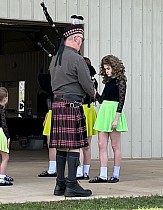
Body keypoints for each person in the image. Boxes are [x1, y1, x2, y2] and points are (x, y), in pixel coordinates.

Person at [49, 16, 95, 197]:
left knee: (61, 146)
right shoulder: (77, 59)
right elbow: (87, 85)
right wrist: (93, 92)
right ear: (76, 39)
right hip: (72, 104)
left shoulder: (55, 59)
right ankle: (72, 184)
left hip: (57, 104)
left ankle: (59, 185)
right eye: (81, 40)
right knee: (74, 146)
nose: (81, 44)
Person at [89, 55, 128, 184]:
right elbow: (102, 100)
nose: (106, 71)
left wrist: (116, 119)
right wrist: (94, 93)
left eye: (108, 68)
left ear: (114, 67)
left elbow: (121, 101)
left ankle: (115, 174)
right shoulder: (108, 82)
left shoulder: (120, 81)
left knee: (115, 146)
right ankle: (103, 174)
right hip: (104, 111)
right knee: (101, 145)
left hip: (114, 112)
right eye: (105, 69)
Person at [76, 57, 98, 180]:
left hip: (84, 109)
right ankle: (83, 171)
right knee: (86, 145)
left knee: (81, 145)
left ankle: (82, 171)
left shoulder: (88, 80)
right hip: (87, 110)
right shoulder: (91, 80)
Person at [0, 87, 14, 186]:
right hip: (1, 133)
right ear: (5, 98)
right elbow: (4, 125)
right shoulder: (1, 110)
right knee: (5, 157)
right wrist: (8, 136)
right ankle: (1, 177)